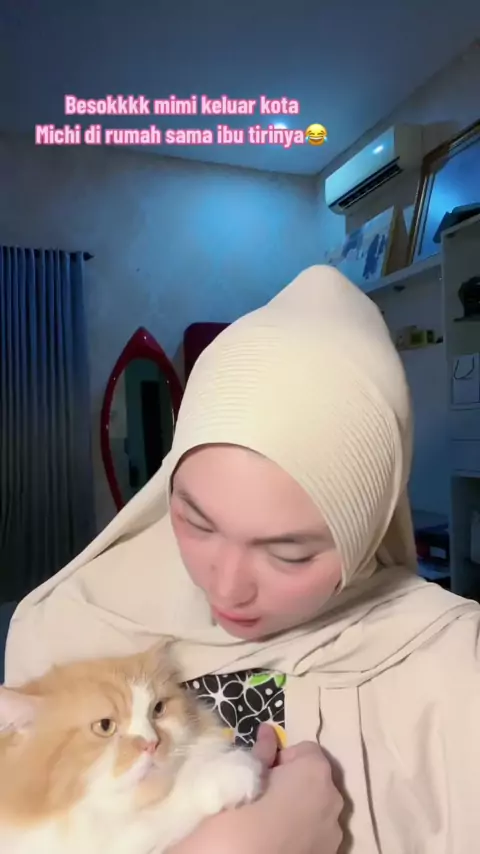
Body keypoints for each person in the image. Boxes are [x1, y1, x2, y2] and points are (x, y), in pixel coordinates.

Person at [4, 264, 480, 853]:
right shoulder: (64, 631)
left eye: (289, 553)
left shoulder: (451, 662)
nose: (227, 588)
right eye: (195, 521)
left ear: (364, 537)